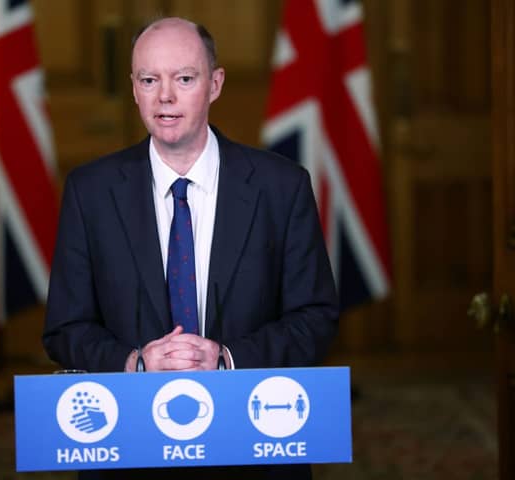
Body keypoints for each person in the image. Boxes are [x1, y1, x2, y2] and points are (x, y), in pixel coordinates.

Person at [43, 16, 338, 480]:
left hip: (253, 448)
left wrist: (226, 360)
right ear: (134, 88)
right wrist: (134, 363)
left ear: (214, 84)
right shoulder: (90, 191)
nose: (165, 96)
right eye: (149, 80)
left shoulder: (282, 187)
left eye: (184, 78)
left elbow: (316, 316)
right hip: (128, 450)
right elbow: (64, 328)